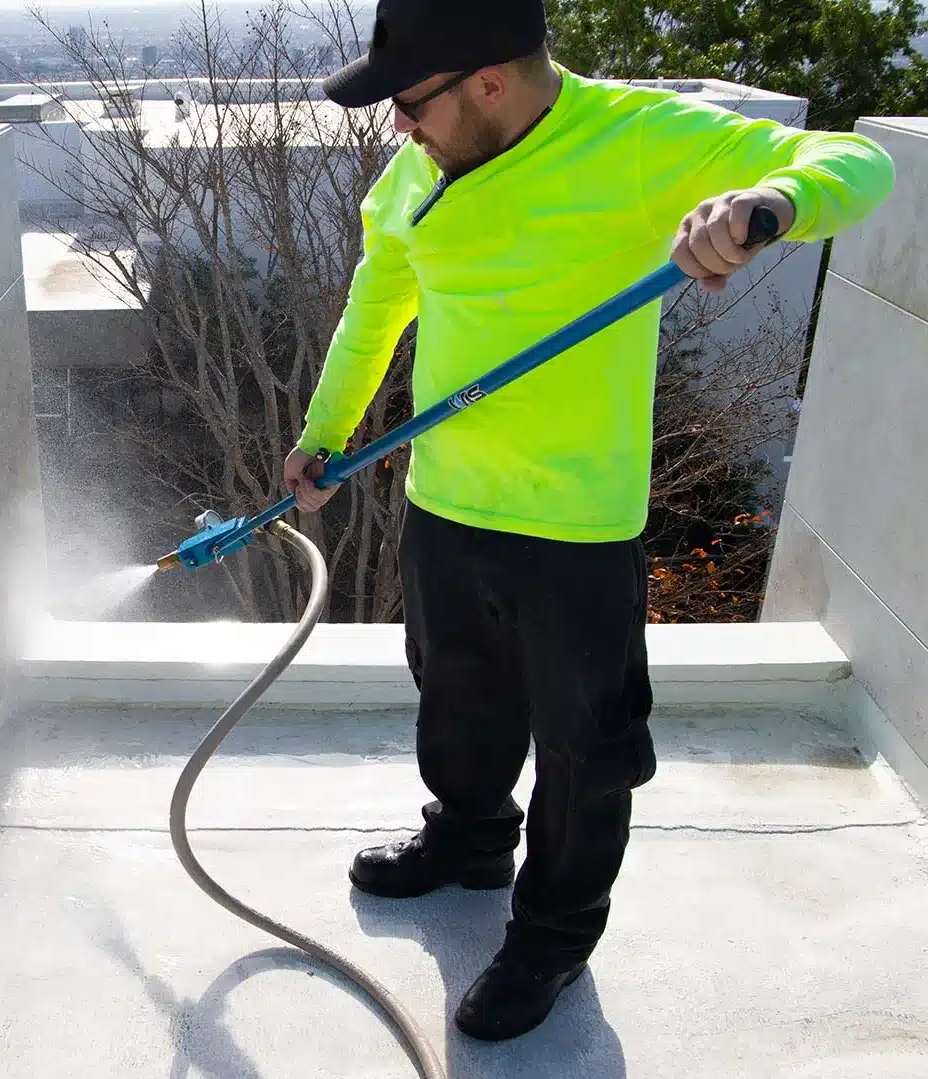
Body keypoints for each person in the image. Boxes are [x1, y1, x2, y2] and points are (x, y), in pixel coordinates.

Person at [284, 0, 894, 1044]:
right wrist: (326, 429)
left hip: (576, 527)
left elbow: (858, 164)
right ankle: (472, 839)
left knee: (586, 746)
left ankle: (554, 935)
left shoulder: (637, 139)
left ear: (486, 81)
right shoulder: (418, 174)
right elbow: (377, 299)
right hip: (445, 500)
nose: (398, 126)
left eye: (411, 102)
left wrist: (765, 204)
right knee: (458, 694)